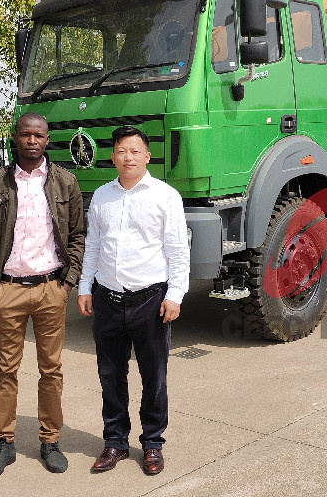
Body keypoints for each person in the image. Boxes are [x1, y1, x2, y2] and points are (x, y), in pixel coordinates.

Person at [0, 112, 85, 479]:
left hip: (52, 288)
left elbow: (79, 235)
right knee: (6, 369)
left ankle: (50, 441)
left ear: (47, 139)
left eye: (38, 135)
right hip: (9, 290)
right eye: (25, 134)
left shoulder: (65, 181)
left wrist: (68, 283)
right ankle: (3, 443)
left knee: (51, 369)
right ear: (16, 138)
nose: (32, 140)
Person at [78, 125, 189, 475]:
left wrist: (175, 294)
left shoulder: (165, 196)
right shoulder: (101, 196)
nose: (128, 157)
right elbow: (93, 245)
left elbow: (176, 249)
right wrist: (85, 287)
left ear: (147, 156)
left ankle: (153, 444)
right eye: (121, 151)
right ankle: (115, 442)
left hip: (150, 300)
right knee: (110, 375)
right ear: (112, 156)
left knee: (153, 375)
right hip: (107, 299)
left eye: (135, 151)